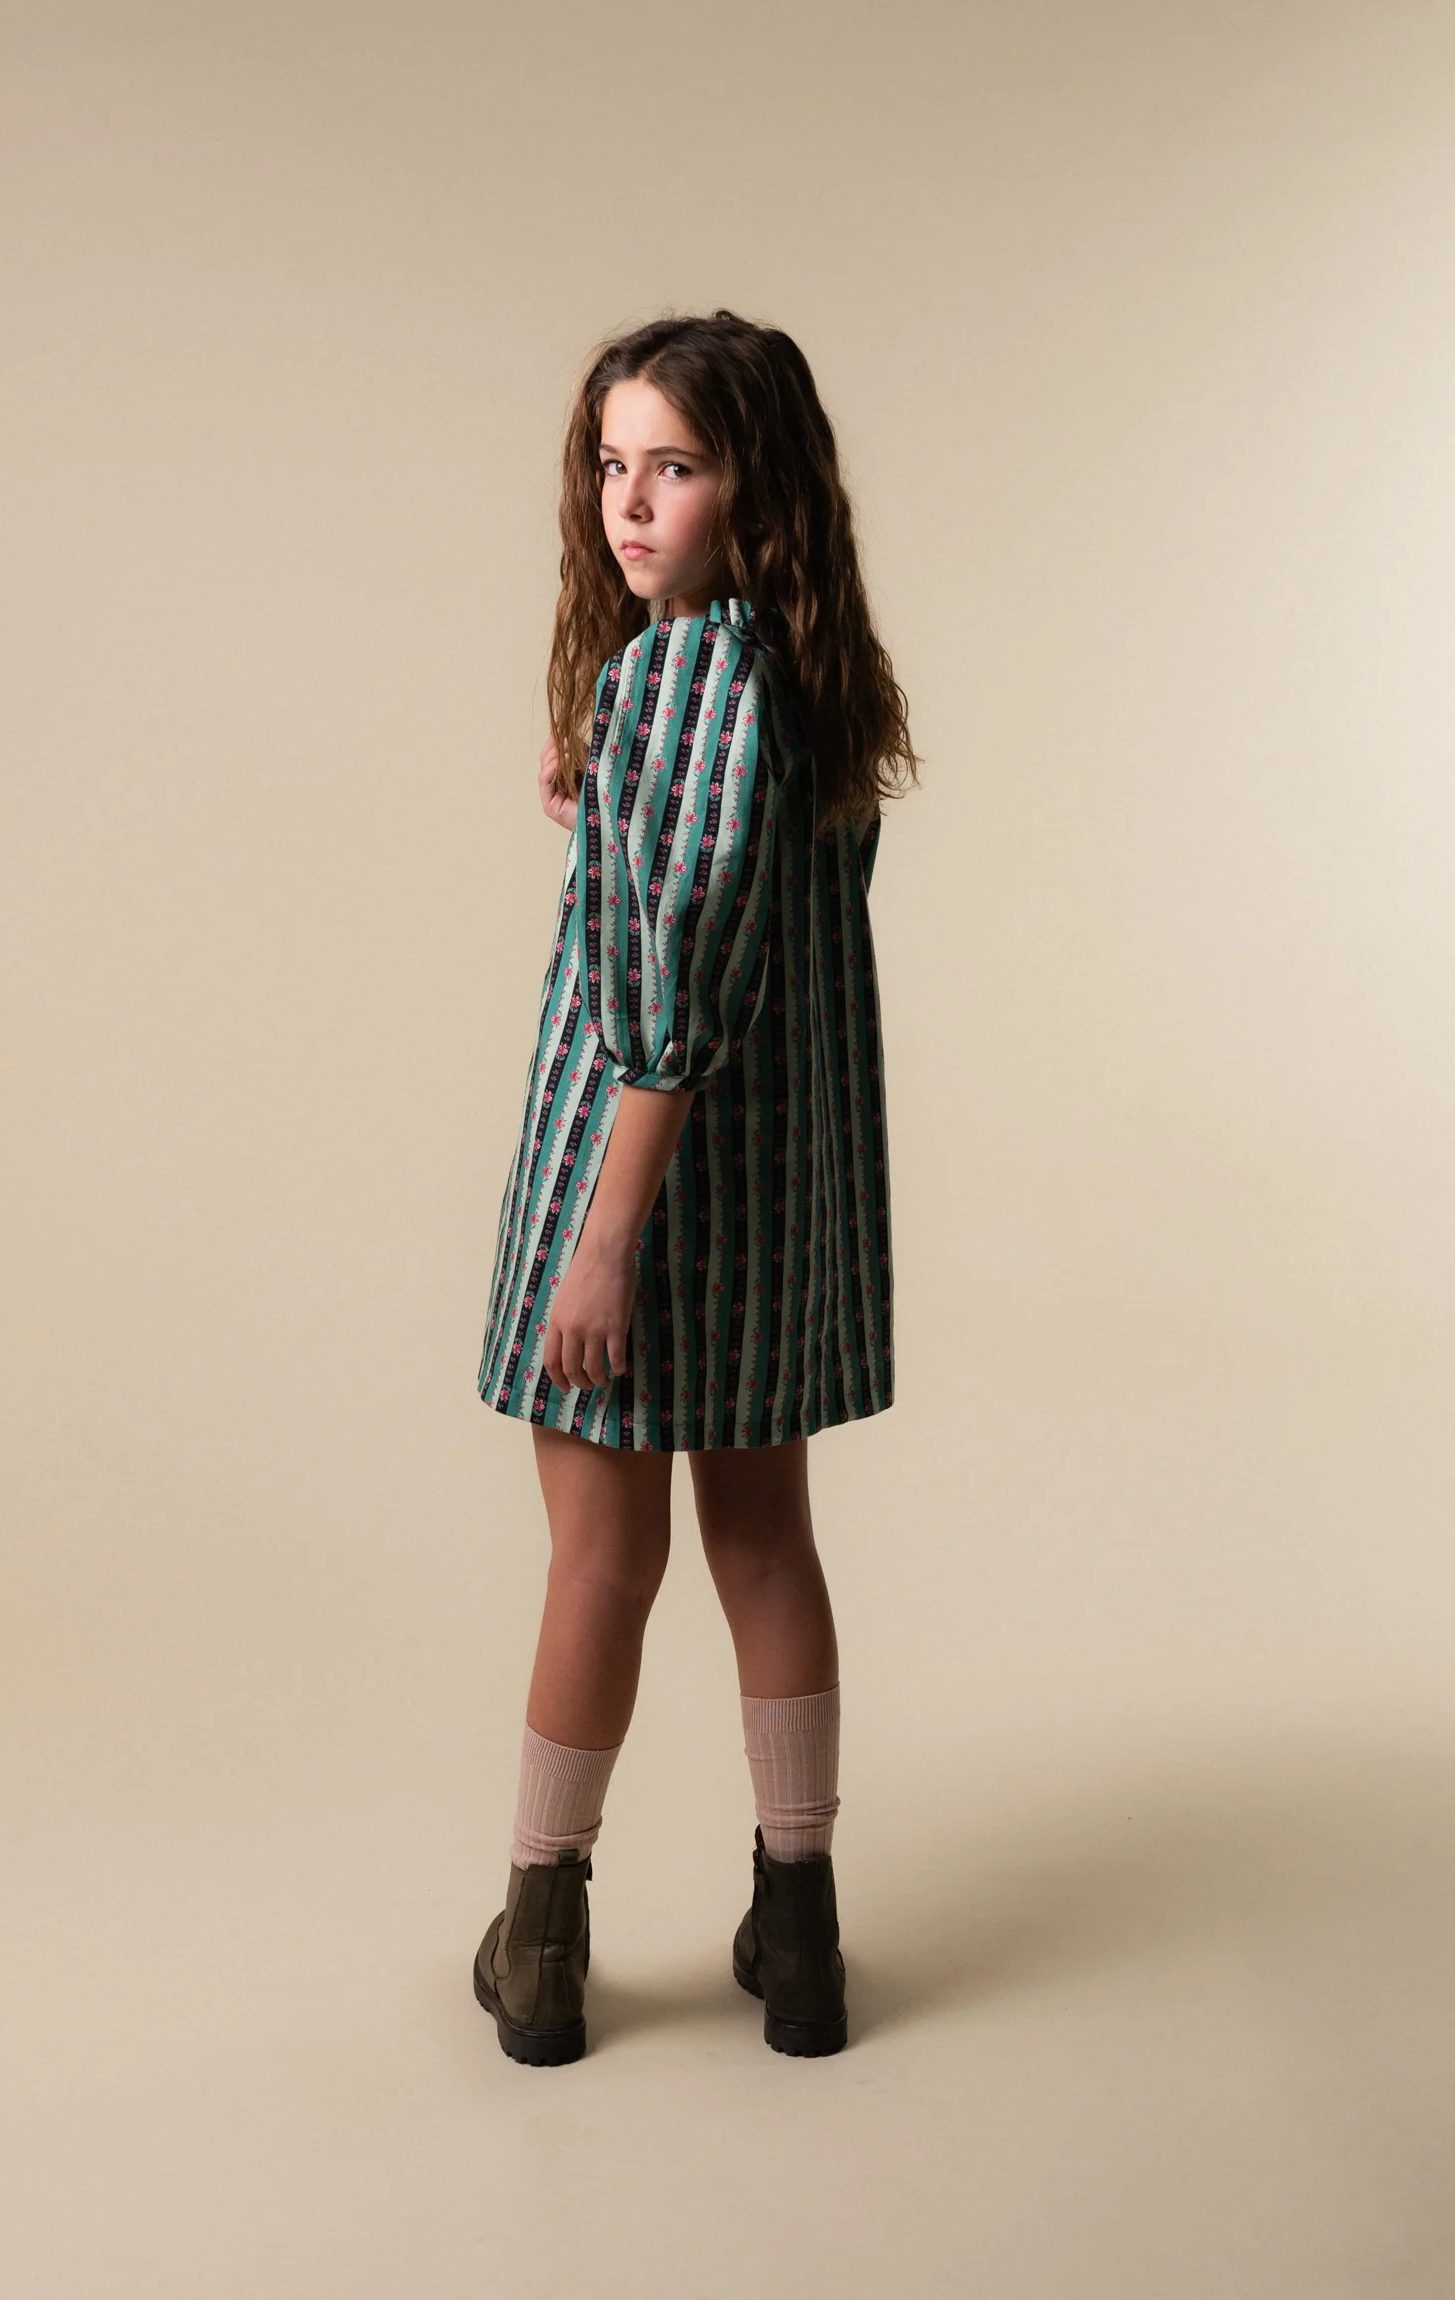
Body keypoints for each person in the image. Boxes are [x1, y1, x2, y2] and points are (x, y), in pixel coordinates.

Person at [472, 309, 919, 2066]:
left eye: (676, 465)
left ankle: (541, 1933)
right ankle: (796, 1928)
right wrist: (604, 795)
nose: (630, 501)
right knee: (764, 1540)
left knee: (599, 1560)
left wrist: (601, 1247)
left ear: (757, 488)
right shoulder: (793, 684)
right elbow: (734, 916)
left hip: (643, 1193)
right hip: (771, 1202)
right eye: (612, 463)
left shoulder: (678, 682)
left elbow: (664, 1013)